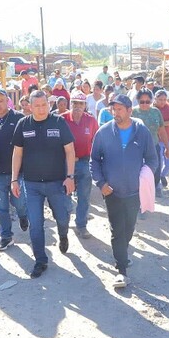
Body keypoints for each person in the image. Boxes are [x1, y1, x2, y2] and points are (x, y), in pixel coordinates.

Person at [91, 94, 158, 288]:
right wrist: (101, 183)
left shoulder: (141, 132)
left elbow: (152, 159)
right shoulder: (103, 132)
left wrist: (145, 177)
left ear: (130, 110)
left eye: (120, 109)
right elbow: (94, 160)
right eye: (113, 109)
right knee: (117, 230)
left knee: (129, 228)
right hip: (111, 192)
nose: (115, 112)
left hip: (134, 192)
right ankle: (121, 269)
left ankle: (122, 252)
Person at [11, 90, 76, 278]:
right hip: (31, 185)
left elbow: (70, 151)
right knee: (36, 224)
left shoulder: (58, 123)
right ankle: (40, 260)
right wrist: (15, 179)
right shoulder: (23, 125)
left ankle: (63, 235)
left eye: (44, 104)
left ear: (49, 104)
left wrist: (70, 176)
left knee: (63, 218)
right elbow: (17, 153)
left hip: (57, 183)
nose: (41, 109)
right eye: (37, 105)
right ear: (29, 107)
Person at [0, 88, 29, 250]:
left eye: (1, 101)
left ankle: (23, 215)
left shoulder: (19, 119)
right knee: (0, 206)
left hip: (18, 172)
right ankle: (6, 236)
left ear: (7, 100)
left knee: (19, 202)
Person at [63, 92, 98, 238]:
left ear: (85, 106)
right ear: (70, 104)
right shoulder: (61, 119)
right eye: (74, 103)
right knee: (65, 196)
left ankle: (81, 225)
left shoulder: (91, 121)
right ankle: (63, 223)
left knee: (84, 196)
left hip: (84, 162)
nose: (77, 106)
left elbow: (97, 142)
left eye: (80, 104)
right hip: (64, 165)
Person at [132, 88, 169, 203]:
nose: (145, 104)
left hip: (153, 147)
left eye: (147, 102)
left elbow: (162, 130)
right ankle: (139, 203)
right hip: (137, 149)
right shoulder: (133, 112)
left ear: (151, 101)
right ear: (138, 101)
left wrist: (167, 148)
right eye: (142, 102)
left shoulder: (156, 112)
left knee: (155, 174)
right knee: (139, 176)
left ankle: (149, 194)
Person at [154, 89, 169, 188]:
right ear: (155, 99)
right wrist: (166, 123)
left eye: (164, 99)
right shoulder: (153, 109)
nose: (162, 101)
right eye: (160, 99)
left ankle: (162, 175)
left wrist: (162, 124)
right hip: (157, 141)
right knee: (159, 162)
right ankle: (157, 181)